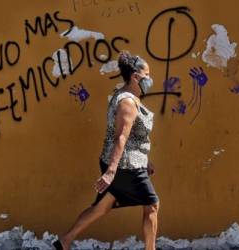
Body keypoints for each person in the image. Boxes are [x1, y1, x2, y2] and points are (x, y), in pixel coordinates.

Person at [53, 50, 160, 250]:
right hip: (125, 165)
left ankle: (65, 241)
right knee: (152, 204)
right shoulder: (127, 102)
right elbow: (122, 137)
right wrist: (111, 171)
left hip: (126, 161)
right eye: (147, 76)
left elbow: (134, 138)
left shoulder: (127, 97)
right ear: (135, 77)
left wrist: (145, 160)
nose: (150, 79)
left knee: (101, 208)